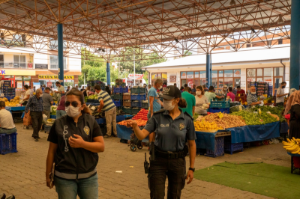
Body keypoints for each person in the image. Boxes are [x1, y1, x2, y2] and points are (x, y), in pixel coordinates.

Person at [127, 86, 196, 199]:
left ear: (177, 100)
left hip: (178, 162)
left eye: (168, 100)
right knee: (156, 195)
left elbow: (192, 144)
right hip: (158, 161)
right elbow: (142, 135)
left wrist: (191, 168)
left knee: (175, 195)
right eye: (164, 99)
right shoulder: (158, 117)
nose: (165, 102)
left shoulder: (187, 120)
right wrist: (135, 127)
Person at [46, 88, 104, 198]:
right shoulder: (58, 123)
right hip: (64, 178)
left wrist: (83, 144)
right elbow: (51, 152)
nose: (70, 106)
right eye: (67, 103)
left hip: (89, 178)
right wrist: (48, 174)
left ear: (82, 106)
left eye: (74, 103)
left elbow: (101, 147)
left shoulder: (90, 121)